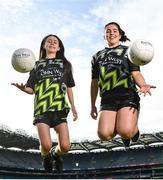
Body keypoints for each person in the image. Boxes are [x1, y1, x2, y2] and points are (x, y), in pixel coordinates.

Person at [11, 34, 78, 173]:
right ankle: (46, 155)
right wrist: (23, 88)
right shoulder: (36, 65)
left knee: (65, 146)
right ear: (44, 45)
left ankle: (56, 154)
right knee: (46, 145)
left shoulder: (65, 65)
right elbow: (31, 89)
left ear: (59, 47)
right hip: (42, 108)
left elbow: (69, 87)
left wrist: (73, 106)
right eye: (49, 41)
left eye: (55, 42)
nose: (52, 43)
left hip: (59, 108)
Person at [90, 22, 156, 147]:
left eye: (115, 30)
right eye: (108, 31)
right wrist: (93, 105)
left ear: (120, 35)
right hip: (107, 97)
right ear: (104, 36)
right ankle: (123, 128)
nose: (111, 33)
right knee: (104, 135)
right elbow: (94, 82)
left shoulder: (129, 51)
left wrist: (143, 85)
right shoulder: (97, 56)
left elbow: (136, 74)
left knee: (126, 131)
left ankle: (133, 131)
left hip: (127, 95)